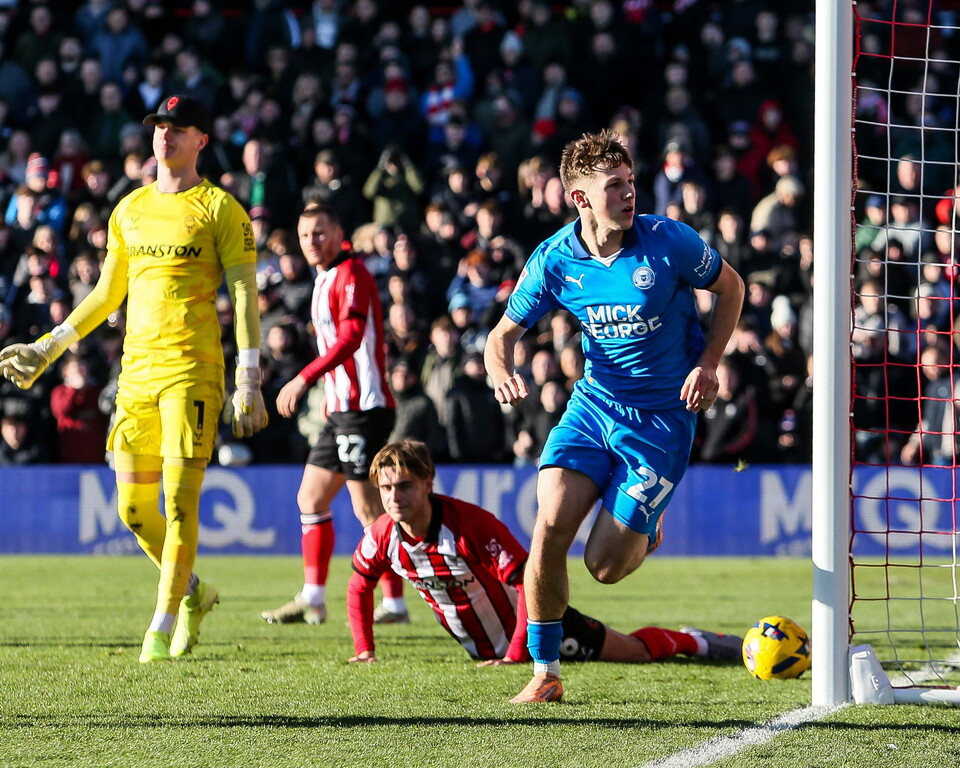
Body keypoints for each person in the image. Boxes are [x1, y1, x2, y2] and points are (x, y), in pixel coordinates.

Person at [0, 95, 269, 662]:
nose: (164, 136)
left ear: (201, 140)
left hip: (192, 372)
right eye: (159, 127)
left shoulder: (221, 208)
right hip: (136, 375)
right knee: (131, 510)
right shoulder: (129, 209)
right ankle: (194, 592)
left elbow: (245, 293)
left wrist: (249, 376)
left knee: (177, 504)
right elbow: (105, 294)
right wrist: (50, 347)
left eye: (178, 128)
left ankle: (161, 622)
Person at [483, 130, 744, 703]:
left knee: (604, 567)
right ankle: (545, 671)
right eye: (614, 186)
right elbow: (500, 336)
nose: (629, 194)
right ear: (578, 198)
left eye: (630, 181)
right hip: (594, 407)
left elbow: (732, 287)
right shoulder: (555, 259)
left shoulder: (669, 242)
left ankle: (642, 531)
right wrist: (500, 371)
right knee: (547, 527)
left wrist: (708, 362)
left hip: (660, 423)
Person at [347, 439, 742, 668]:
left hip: (546, 627)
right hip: (488, 650)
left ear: (428, 483)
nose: (394, 498)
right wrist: (365, 649)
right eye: (385, 489)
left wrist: (519, 654)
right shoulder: (383, 535)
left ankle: (697, 642)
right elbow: (358, 586)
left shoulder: (469, 526)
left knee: (636, 654)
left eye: (404, 486)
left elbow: (526, 583)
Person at [260, 204, 408, 626]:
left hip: (365, 409)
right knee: (310, 498)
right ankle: (314, 596)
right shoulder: (322, 278)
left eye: (320, 233)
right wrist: (328, 393)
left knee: (370, 510)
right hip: (340, 409)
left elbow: (351, 337)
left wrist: (304, 378)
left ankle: (395, 602)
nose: (312, 242)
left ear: (339, 232)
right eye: (305, 235)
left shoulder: (353, 274)